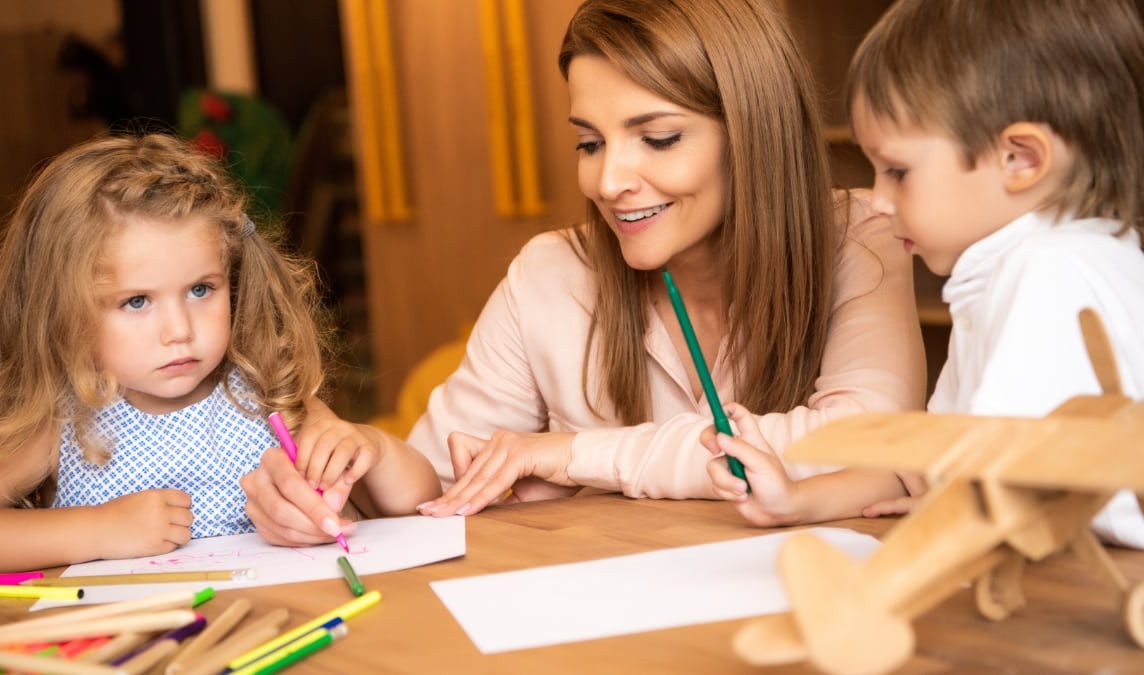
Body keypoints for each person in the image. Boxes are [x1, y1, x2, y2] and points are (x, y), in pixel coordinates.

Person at [242, 0, 926, 541]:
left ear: (754, 131)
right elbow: (442, 485)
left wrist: (572, 455)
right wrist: (360, 458)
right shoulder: (549, 275)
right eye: (589, 142)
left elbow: (868, 444)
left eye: (657, 138)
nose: (609, 179)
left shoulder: (860, 235)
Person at [0, 133, 440, 578]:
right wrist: (96, 531)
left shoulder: (266, 397)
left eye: (202, 289)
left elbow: (419, 502)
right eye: (136, 301)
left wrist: (370, 449)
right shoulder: (66, 420)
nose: (179, 331)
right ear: (63, 312)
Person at [832, 0, 1144, 547]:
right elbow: (949, 454)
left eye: (898, 171)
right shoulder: (1007, 271)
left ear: (1020, 158)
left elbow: (1000, 475)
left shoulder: (1045, 270)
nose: (878, 201)